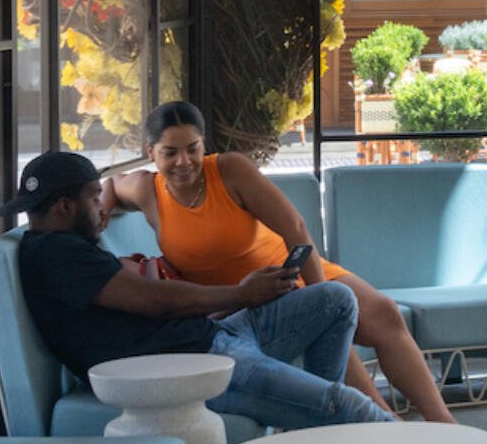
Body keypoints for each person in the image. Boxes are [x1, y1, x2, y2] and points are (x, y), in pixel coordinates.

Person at [11, 149, 487, 444]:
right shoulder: (55, 253)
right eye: (90, 201)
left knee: (333, 300)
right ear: (63, 207)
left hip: (213, 337)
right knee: (351, 407)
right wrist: (240, 295)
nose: (100, 209)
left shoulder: (63, 243)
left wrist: (235, 306)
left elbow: (135, 294)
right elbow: (155, 303)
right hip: (197, 369)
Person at [103, 102, 454, 425]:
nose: (184, 162)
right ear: (151, 152)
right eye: (170, 152)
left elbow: (296, 229)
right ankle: (387, 428)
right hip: (246, 301)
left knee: (383, 312)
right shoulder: (148, 191)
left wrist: (322, 295)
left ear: (203, 144)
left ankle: (444, 426)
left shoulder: (229, 169)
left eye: (193, 148)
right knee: (339, 342)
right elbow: (112, 184)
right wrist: (102, 207)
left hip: (287, 271)